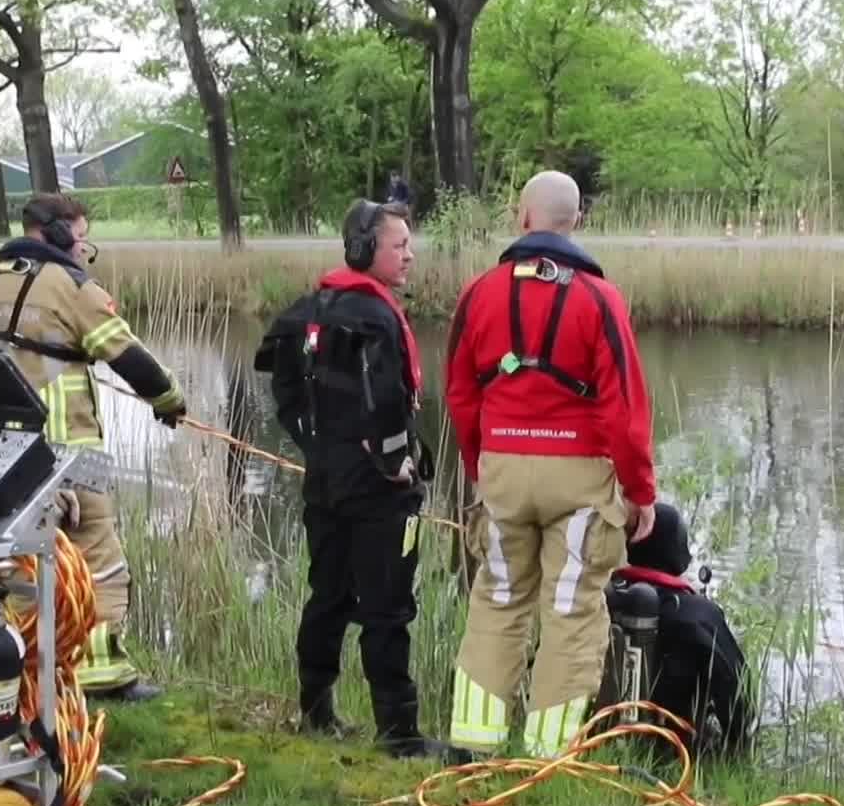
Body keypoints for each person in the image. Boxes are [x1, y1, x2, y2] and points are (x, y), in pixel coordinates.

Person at [443, 169, 657, 758]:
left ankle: (475, 745)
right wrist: (641, 491)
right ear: (577, 223)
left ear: (522, 216)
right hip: (579, 476)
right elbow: (626, 408)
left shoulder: (479, 293)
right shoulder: (599, 297)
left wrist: (481, 464)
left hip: (504, 469)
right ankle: (548, 754)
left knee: (498, 598)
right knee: (570, 609)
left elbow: (461, 392)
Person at [0, 192, 186, 701]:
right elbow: (132, 359)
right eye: (80, 238)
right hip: (72, 454)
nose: (82, 250)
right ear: (54, 233)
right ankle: (100, 673)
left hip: (3, 456)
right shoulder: (73, 287)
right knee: (99, 557)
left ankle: (29, 664)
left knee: (22, 564)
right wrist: (169, 400)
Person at [253, 198, 446, 759]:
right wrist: (394, 462)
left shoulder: (311, 306)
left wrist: (315, 442)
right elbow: (387, 399)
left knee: (329, 594)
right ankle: (400, 735)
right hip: (378, 490)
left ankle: (315, 711)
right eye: (398, 245)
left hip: (325, 480)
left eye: (410, 244)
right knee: (388, 607)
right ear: (365, 249)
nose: (409, 254)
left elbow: (282, 384)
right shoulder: (377, 315)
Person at [610, 503, 754, 758]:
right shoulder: (699, 613)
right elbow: (736, 687)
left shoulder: (596, 599)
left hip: (596, 738)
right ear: (677, 553)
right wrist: (736, 744)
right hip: (672, 752)